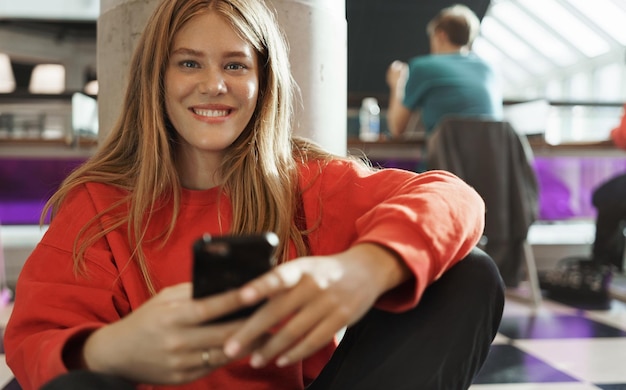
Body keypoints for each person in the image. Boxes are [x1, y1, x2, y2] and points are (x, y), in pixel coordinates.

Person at [3, 0, 504, 389]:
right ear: (157, 80)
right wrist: (112, 349)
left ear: (264, 83)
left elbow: (455, 199)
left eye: (237, 66)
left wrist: (364, 268)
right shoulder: (100, 201)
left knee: (469, 275)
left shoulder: (308, 181)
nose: (214, 84)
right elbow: (31, 341)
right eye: (189, 64)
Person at [386, 4, 502, 141]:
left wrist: (397, 84)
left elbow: (397, 130)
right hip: (492, 160)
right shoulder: (489, 69)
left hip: (445, 160)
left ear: (441, 35)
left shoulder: (423, 67)